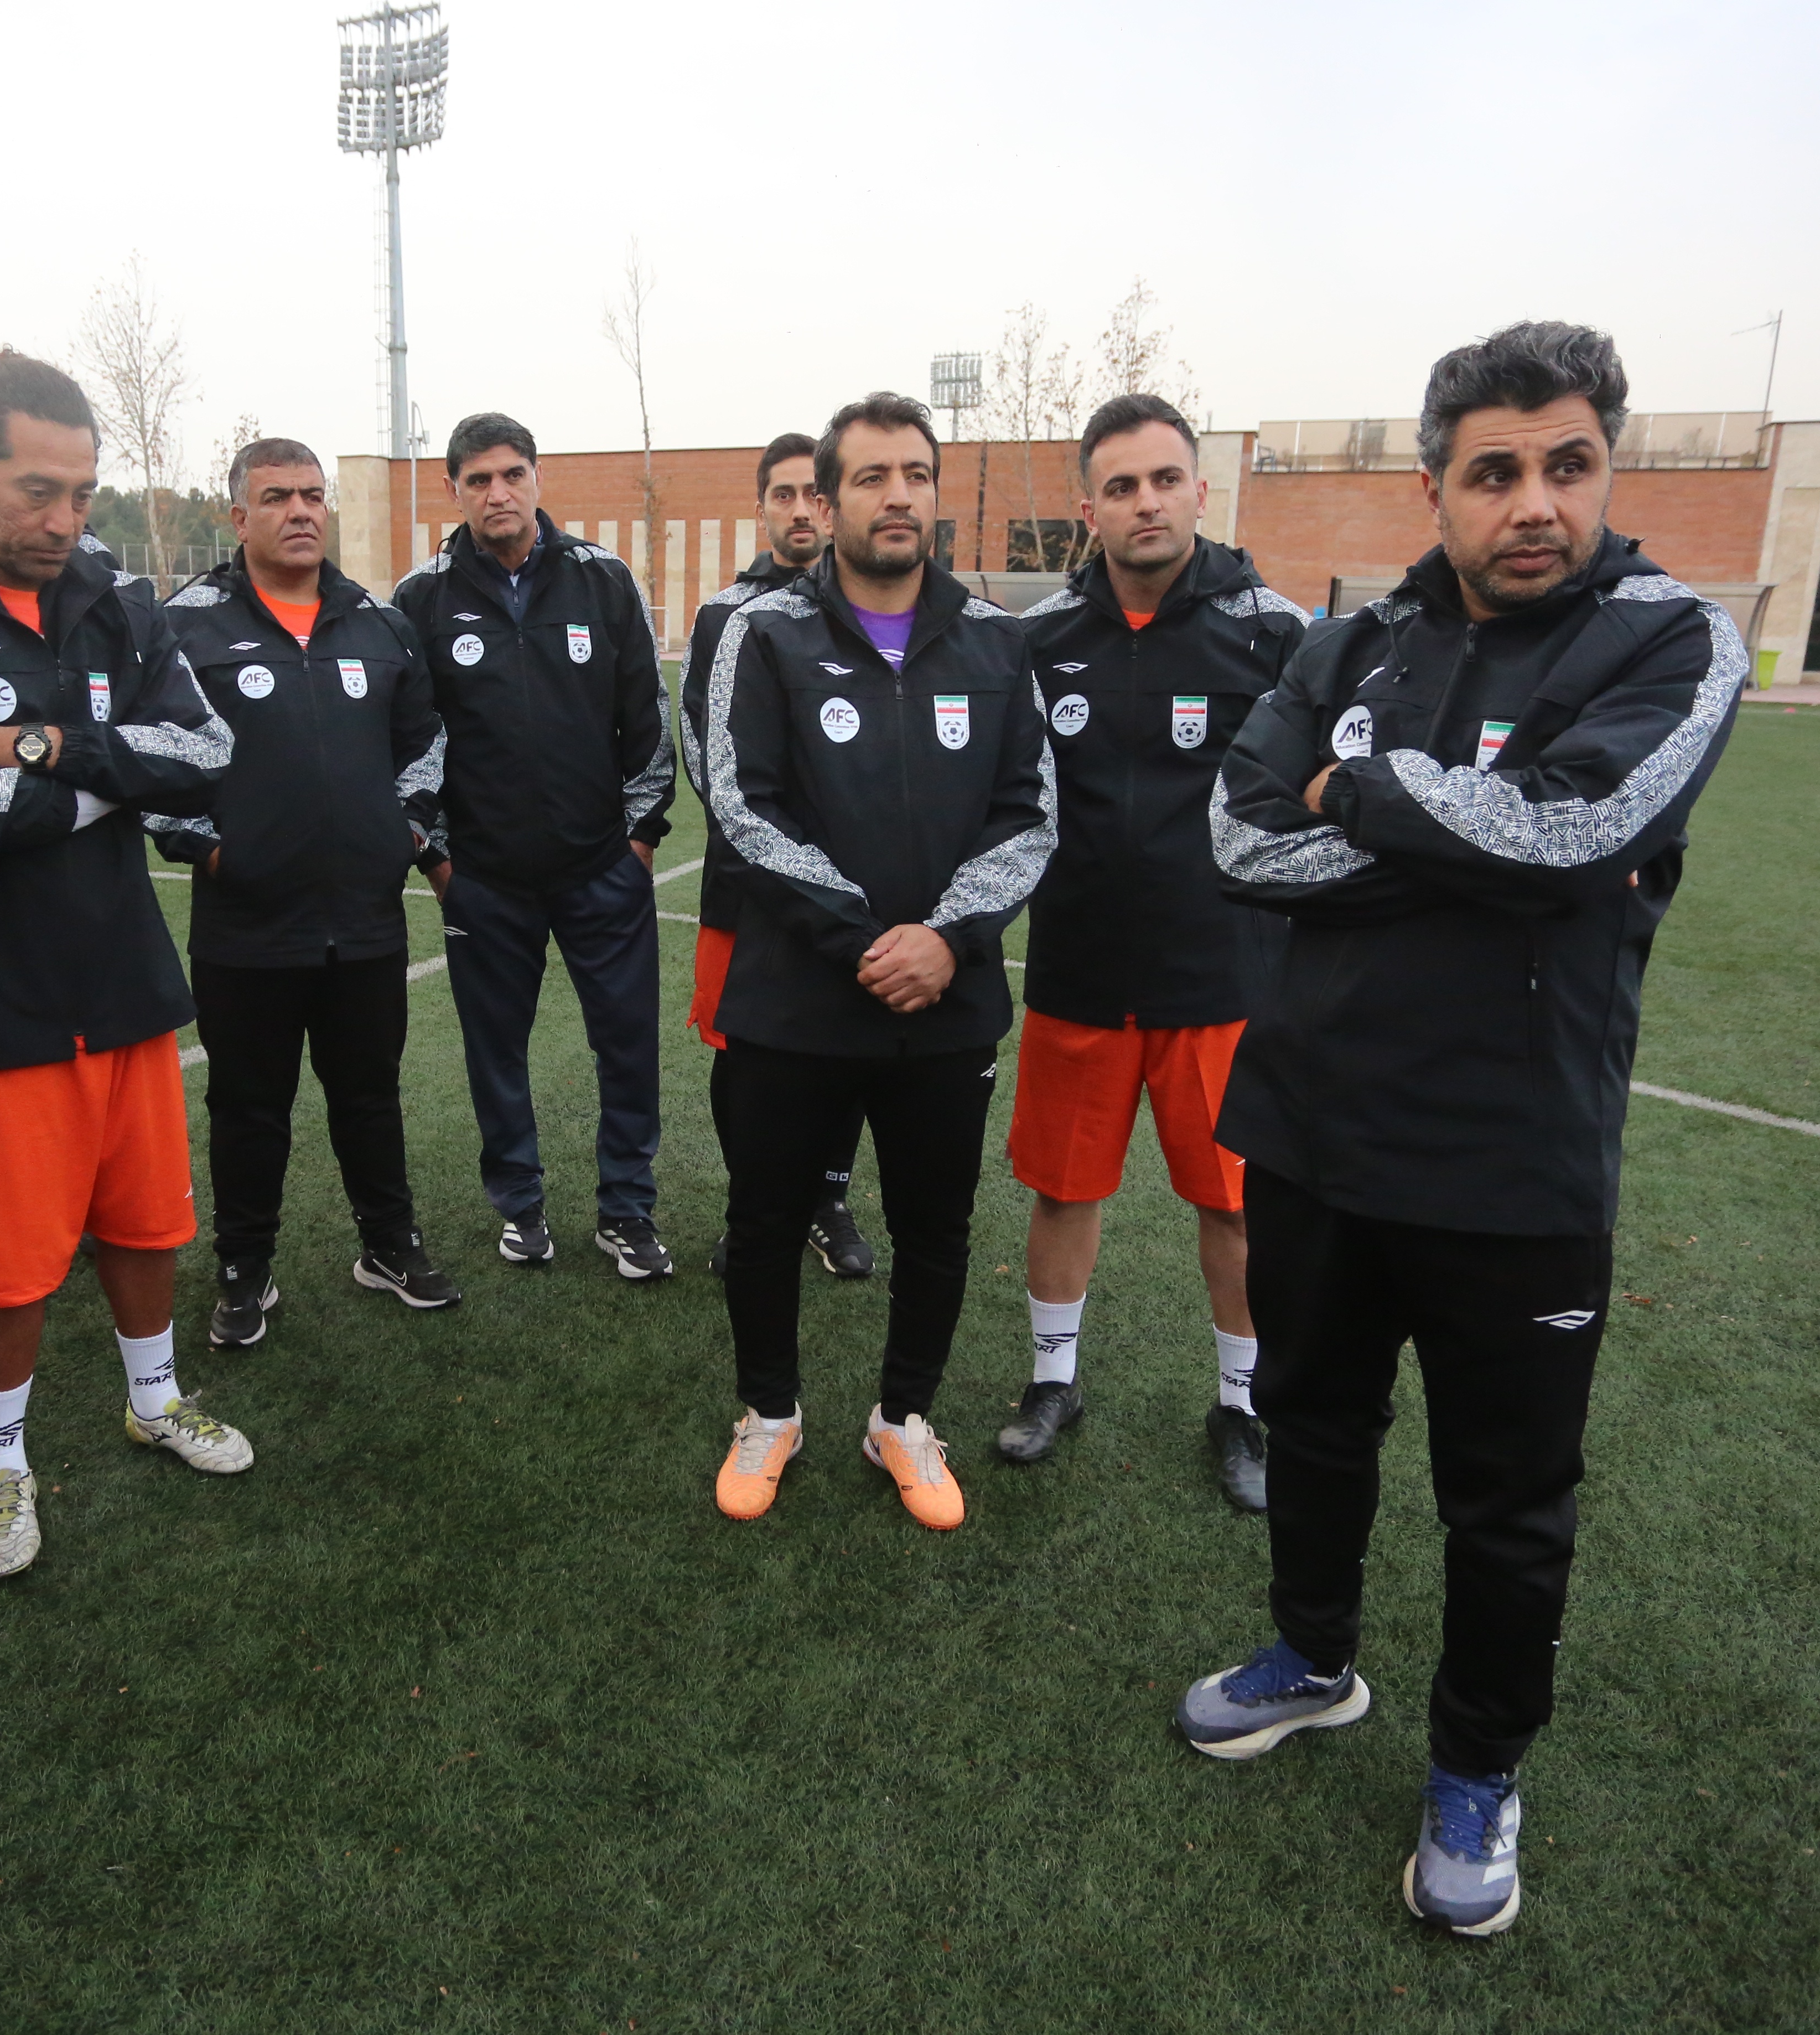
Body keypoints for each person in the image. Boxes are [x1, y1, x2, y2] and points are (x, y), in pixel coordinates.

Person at [1174, 323, 1740, 1937]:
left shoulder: (1670, 638)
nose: (1532, 502)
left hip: (1514, 1166)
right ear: (1436, 491)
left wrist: (1354, 796)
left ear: (1606, 469)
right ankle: (1312, 1655)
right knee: (1313, 1420)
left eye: (1567, 464)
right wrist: (1472, 848)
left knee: (1505, 1500)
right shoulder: (1352, 642)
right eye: (1494, 472)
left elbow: (1578, 828)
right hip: (1310, 1133)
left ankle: (1477, 1767)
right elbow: (1236, 835)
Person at [0, 348, 246, 1588]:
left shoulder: (113, 590)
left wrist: (47, 745)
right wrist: (115, 773)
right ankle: (0, 1461)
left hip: (118, 961)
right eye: (37, 492)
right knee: (11, 1254)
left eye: (81, 492)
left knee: (148, 1214)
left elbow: (207, 750)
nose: (65, 520)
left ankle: (154, 1400)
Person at [699, 392, 1054, 1527]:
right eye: (870, 477)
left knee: (935, 1228)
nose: (897, 496)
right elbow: (739, 803)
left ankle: (904, 1419)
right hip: (796, 1000)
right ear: (828, 497)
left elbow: (1031, 813)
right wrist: (866, 941)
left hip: (946, 1004)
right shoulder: (764, 632)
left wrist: (946, 939)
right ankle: (770, 1413)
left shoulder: (998, 639)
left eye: (915, 474)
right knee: (765, 1220)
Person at [999, 394, 1307, 1505]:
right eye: (1121, 486)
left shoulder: (1275, 632)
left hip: (1219, 979)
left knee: (1234, 1204)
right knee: (1062, 1190)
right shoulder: (1038, 639)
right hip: (1078, 970)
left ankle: (1242, 1403)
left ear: (1199, 491)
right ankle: (1053, 1382)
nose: (1146, 503)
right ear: (1088, 508)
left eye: (1165, 480)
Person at [151, 437, 459, 1348]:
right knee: (248, 1107)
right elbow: (147, 750)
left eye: (313, 495)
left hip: (364, 920)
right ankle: (244, 1267)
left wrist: (403, 834)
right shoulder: (185, 626)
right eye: (278, 496)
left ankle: (389, 1243)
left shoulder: (377, 622)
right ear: (239, 516)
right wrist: (210, 850)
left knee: (370, 1094)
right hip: (247, 925)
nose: (300, 511)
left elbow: (426, 741)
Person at [392, 413, 678, 1277]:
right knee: (495, 1054)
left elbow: (647, 720)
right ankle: (520, 1204)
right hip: (484, 881)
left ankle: (627, 1210)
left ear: (538, 478)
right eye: (478, 480)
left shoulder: (602, 579)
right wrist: (439, 861)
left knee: (627, 1047)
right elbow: (407, 738)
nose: (498, 493)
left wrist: (638, 840)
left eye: (512, 474)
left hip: (602, 872)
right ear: (454, 490)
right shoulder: (420, 598)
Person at [683, 434, 871, 1282]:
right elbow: (706, 755)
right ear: (760, 506)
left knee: (848, 1049)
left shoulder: (872, 606)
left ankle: (828, 1202)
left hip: (856, 886)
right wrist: (777, 846)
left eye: (810, 494)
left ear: (831, 505)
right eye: (782, 495)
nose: (799, 511)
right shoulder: (723, 616)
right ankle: (754, 1202)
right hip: (747, 886)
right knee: (744, 1054)